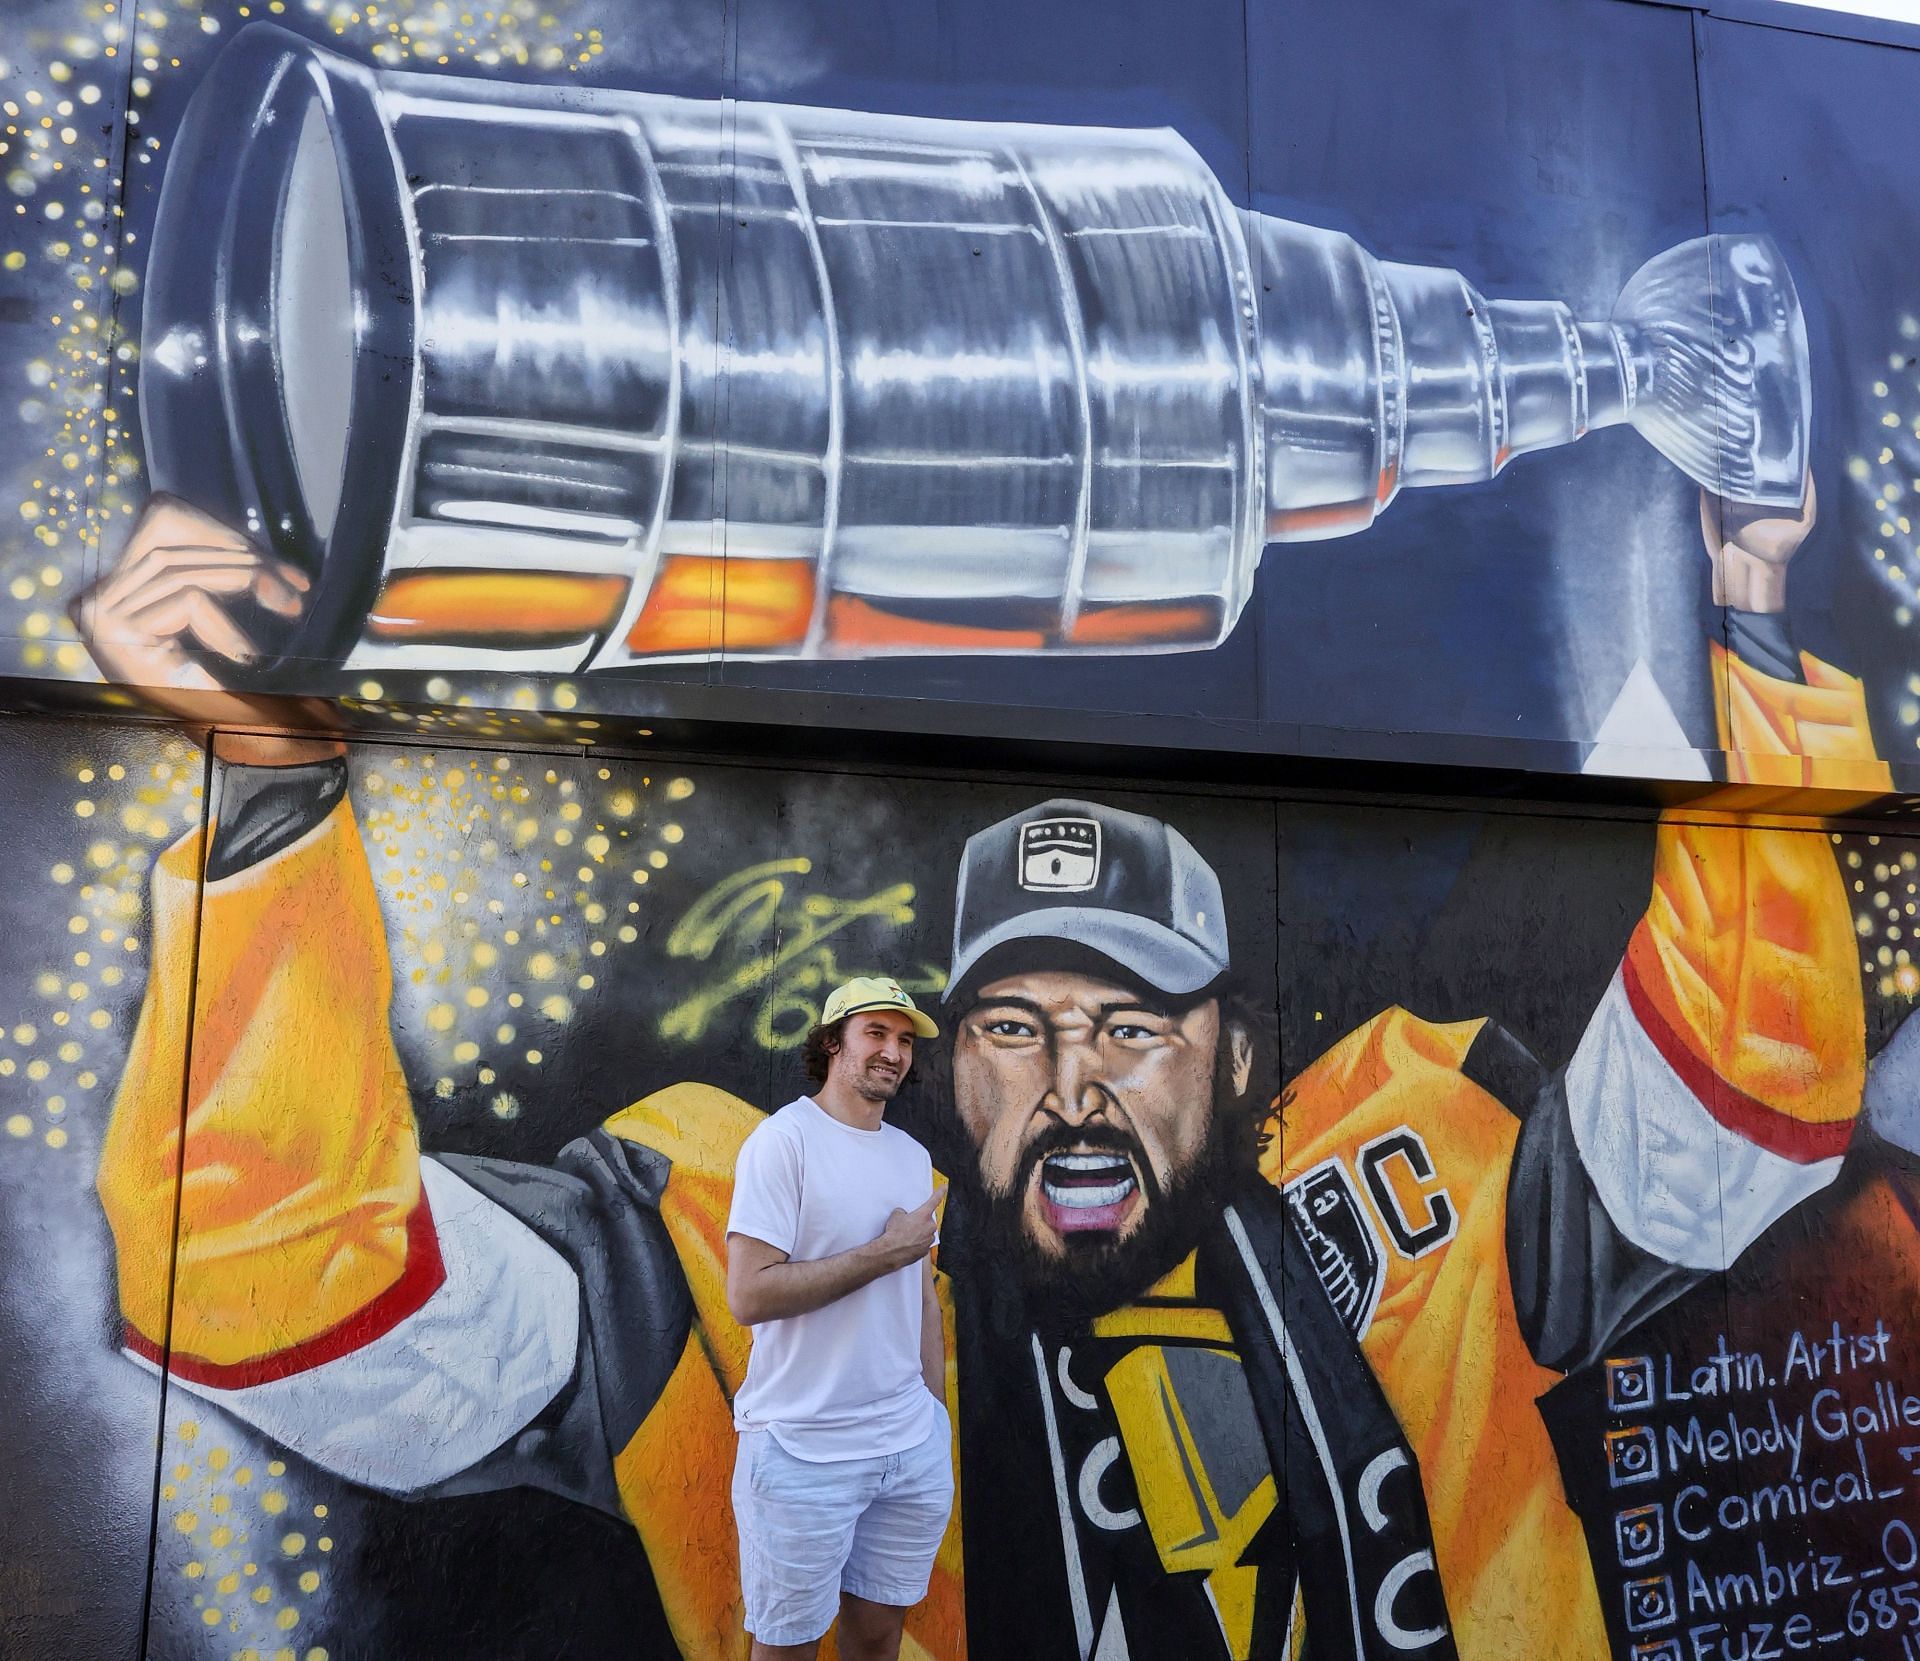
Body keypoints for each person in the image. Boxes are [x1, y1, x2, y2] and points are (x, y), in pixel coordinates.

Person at [78, 479, 1885, 1660]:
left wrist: (1748, 611)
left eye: (1131, 1025)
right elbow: (294, 1290)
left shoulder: (1427, 1181)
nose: (1074, 1084)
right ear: (950, 1074)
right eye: (1017, 1029)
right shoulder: (763, 1258)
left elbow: (1738, 1100)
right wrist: (271, 806)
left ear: (1239, 1058)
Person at [722, 977, 952, 1661]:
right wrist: (883, 1252)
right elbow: (749, 1295)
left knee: (879, 1637)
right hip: (801, 1450)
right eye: (876, 1033)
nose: (893, 1052)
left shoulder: (912, 1159)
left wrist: (932, 1419)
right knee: (788, 1649)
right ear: (832, 1043)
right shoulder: (783, 1142)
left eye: (905, 1040)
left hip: (907, 1448)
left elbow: (922, 1297)